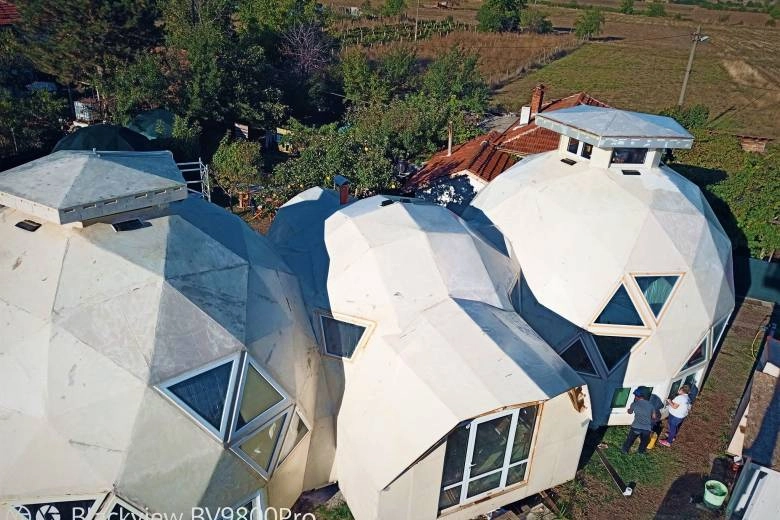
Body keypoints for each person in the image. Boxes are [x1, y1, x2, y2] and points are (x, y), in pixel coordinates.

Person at [621, 388, 659, 454]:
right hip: (646, 429)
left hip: (636, 427)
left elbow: (630, 412)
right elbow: (654, 417)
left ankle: (625, 451)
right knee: (644, 442)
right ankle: (641, 452)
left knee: (630, 440)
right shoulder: (651, 405)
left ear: (636, 396)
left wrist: (628, 410)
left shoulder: (634, 404)